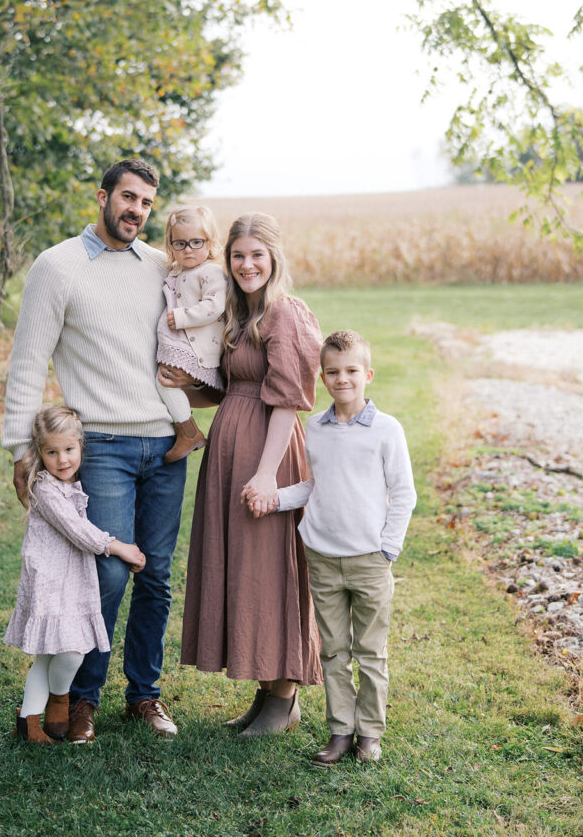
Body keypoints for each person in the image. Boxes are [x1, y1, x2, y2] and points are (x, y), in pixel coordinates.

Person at [1, 158, 187, 743]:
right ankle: (80, 699)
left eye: (146, 204)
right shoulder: (56, 267)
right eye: (127, 198)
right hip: (99, 444)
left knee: (155, 577)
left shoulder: (161, 266)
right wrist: (18, 450)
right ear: (102, 196)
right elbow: (28, 363)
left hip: (164, 444)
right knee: (106, 575)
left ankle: (145, 695)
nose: (136, 211)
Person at [170, 212, 323, 737]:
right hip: (230, 454)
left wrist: (265, 478)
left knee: (269, 567)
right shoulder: (239, 315)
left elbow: (288, 401)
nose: (247, 264)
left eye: (257, 254)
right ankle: (267, 692)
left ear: (274, 257)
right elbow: (225, 389)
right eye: (238, 255)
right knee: (244, 568)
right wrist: (180, 388)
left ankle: (285, 694)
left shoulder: (286, 314)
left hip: (269, 455)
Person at [246, 329, 417, 765]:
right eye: (333, 372)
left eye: (352, 371)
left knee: (371, 652)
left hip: (369, 560)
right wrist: (276, 498)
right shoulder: (315, 429)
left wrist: (387, 549)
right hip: (323, 557)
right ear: (322, 377)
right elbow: (313, 486)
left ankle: (370, 734)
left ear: (368, 374)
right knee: (334, 651)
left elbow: (404, 492)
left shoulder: (385, 430)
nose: (343, 379)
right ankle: (340, 731)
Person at [5, 405, 146, 744]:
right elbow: (78, 530)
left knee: (54, 652)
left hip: (70, 579)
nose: (62, 459)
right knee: (67, 651)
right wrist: (119, 546)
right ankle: (54, 703)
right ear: (40, 453)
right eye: (52, 452)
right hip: (51, 580)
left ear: (81, 446)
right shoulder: (45, 487)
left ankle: (31, 719)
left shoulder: (68, 484)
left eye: (69, 449)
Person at [156, 205, 225, 463]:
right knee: (162, 379)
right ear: (170, 245)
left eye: (196, 242)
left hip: (199, 347)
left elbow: (215, 305)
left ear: (210, 243)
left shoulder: (211, 272)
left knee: (163, 380)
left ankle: (188, 431)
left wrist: (183, 317)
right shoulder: (177, 271)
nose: (188, 249)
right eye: (180, 243)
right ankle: (186, 429)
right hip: (183, 341)